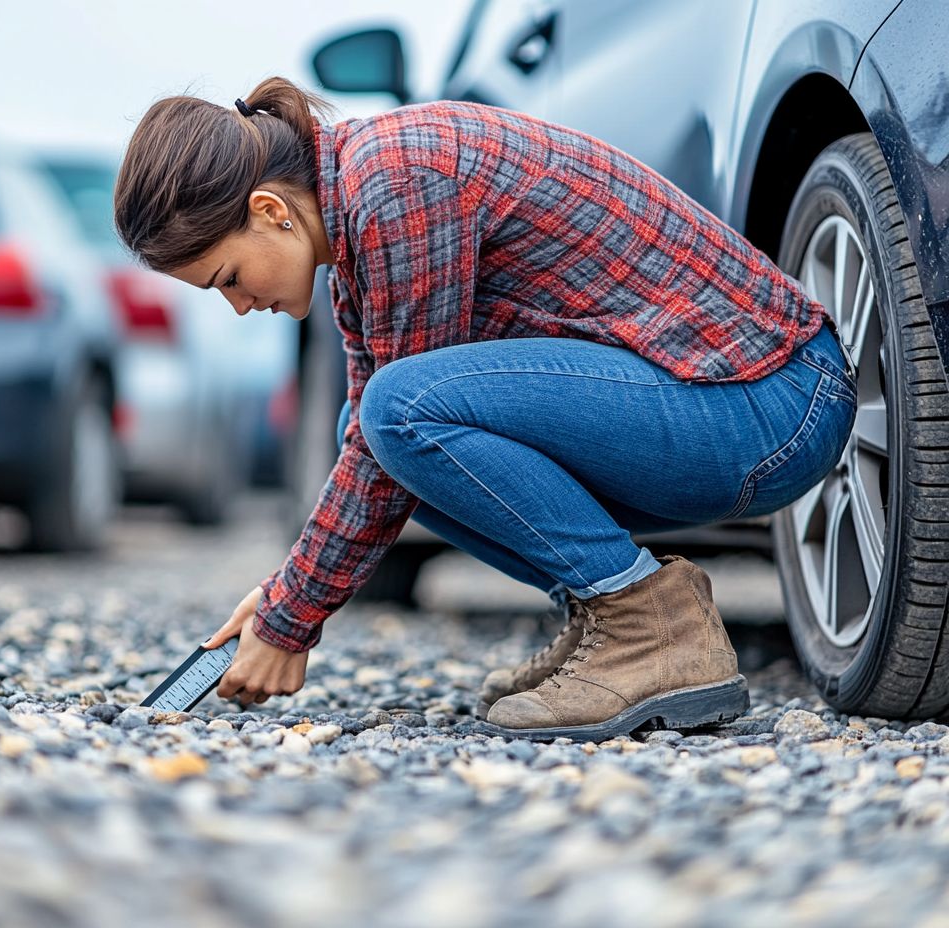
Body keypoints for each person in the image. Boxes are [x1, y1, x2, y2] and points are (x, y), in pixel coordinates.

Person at [112, 77, 858, 741]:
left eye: (228, 278)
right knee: (371, 423)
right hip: (732, 404)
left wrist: (291, 617)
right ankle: (615, 616)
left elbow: (397, 424)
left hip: (772, 402)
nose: (240, 306)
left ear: (270, 210)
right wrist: (282, 597)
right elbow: (373, 444)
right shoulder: (360, 204)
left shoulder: (395, 183)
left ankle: (646, 626)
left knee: (399, 414)